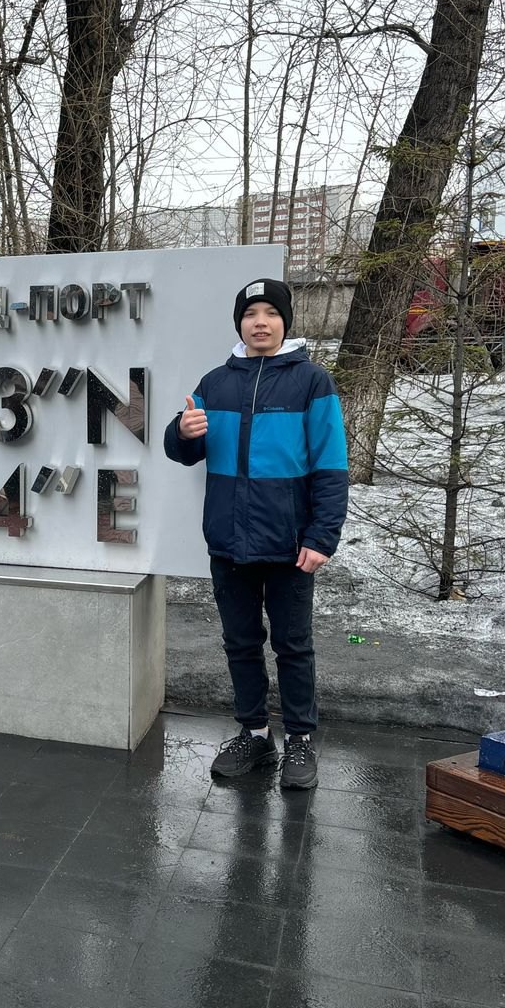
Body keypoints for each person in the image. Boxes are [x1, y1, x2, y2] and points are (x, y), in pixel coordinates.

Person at [162, 278, 348, 790]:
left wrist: (322, 536)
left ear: (285, 321)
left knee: (293, 645)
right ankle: (255, 734)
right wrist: (181, 432)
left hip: (290, 544)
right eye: (250, 314)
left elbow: (332, 465)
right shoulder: (216, 381)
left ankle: (300, 739)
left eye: (270, 313)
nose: (260, 322)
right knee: (240, 643)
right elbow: (183, 450)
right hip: (229, 541)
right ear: (239, 323)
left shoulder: (312, 382)